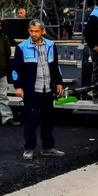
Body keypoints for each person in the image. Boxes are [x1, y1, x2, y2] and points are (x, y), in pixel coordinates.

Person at [12, 19, 65, 160]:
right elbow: (16, 69)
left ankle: (48, 147)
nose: (33, 34)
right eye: (31, 31)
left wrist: (59, 82)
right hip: (32, 91)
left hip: (47, 89)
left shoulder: (50, 45)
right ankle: (29, 148)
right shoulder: (22, 47)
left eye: (36, 31)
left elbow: (55, 66)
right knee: (31, 120)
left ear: (43, 31)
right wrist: (18, 86)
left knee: (48, 120)